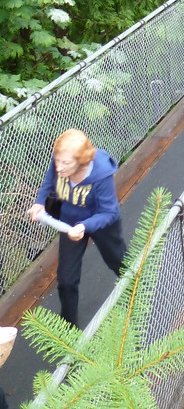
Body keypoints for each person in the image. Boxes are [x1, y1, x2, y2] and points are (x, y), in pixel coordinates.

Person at [28, 129, 126, 327]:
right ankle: (69, 330)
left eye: (65, 163)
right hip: (70, 222)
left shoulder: (100, 175)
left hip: (100, 222)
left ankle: (135, 295)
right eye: (57, 161)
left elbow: (110, 212)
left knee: (119, 262)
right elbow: (49, 180)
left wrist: (85, 225)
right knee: (66, 280)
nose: (59, 167)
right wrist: (39, 203)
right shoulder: (60, 162)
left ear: (81, 161)